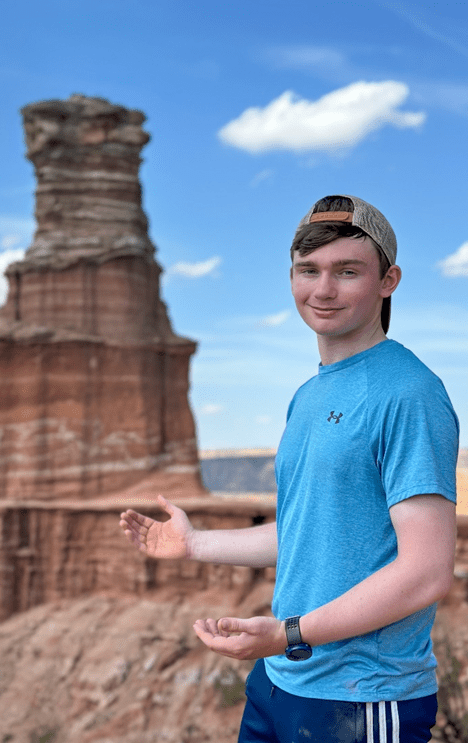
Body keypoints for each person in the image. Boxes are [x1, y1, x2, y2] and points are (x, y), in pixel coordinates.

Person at [119, 195, 459, 743]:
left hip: (360, 701)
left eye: (347, 271)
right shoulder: (308, 396)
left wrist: (287, 633)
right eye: (309, 271)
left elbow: (427, 571)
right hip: (279, 684)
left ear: (388, 280)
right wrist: (195, 543)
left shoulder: (409, 392)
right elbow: (310, 532)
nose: (322, 290)